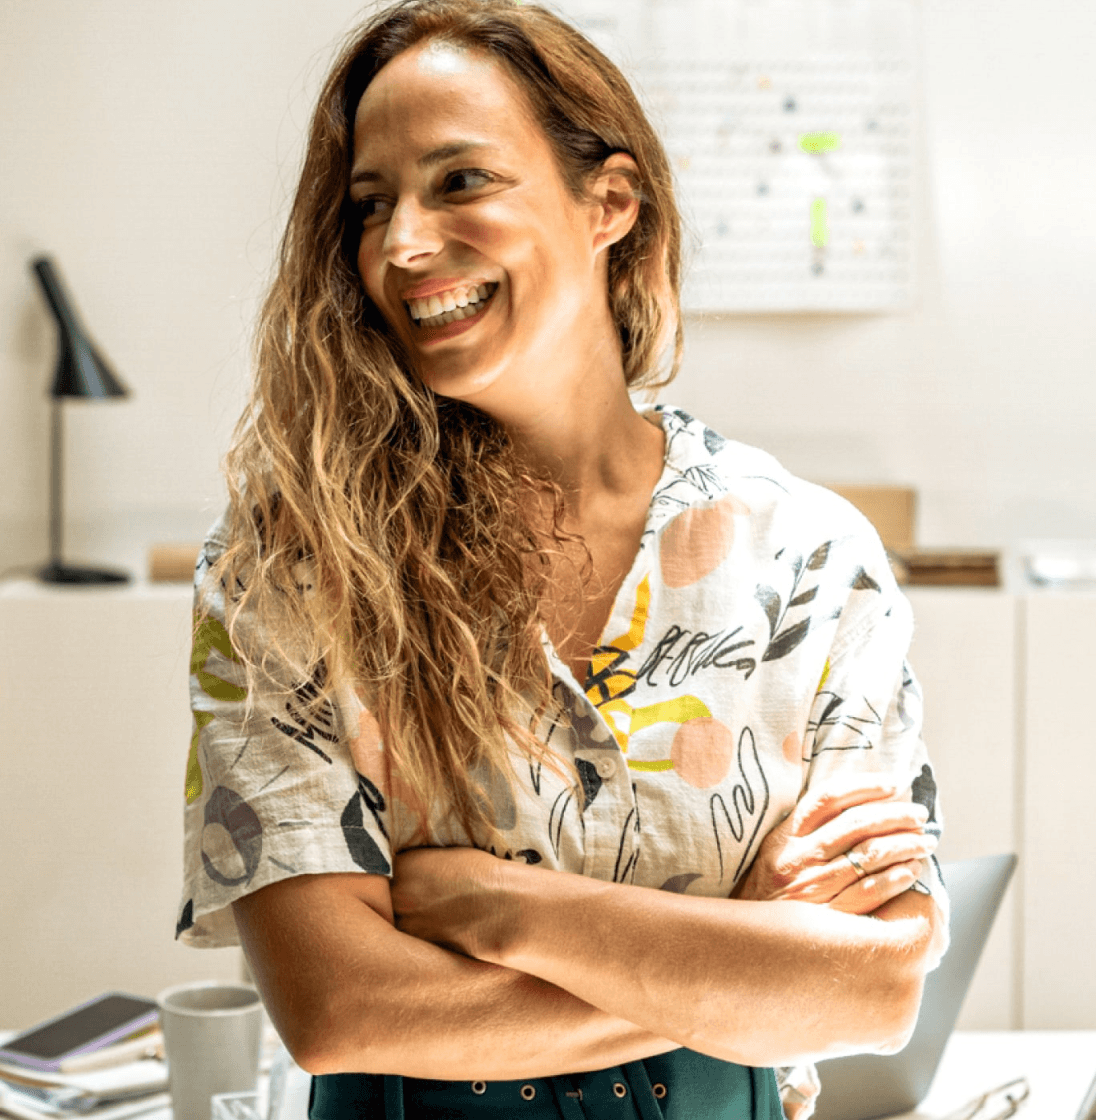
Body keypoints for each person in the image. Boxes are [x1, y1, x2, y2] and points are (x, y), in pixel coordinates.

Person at [175, 2, 948, 1117]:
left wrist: (503, 908)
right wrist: (743, 953)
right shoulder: (292, 565)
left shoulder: (811, 558)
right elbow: (339, 1010)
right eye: (370, 204)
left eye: (459, 182)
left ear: (610, 203)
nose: (402, 245)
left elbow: (875, 990)